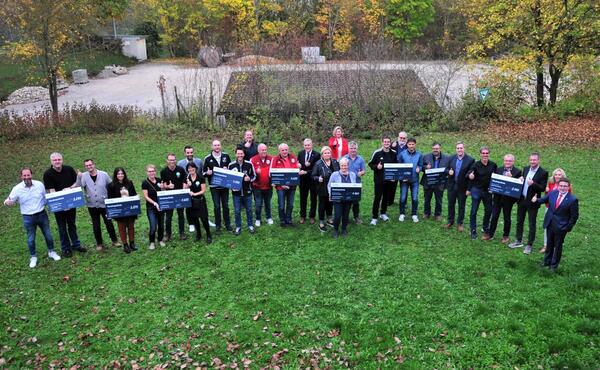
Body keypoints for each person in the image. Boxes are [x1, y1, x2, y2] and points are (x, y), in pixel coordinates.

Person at [4, 167, 61, 268]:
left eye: (28, 175)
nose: (27, 177)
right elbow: (8, 200)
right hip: (28, 217)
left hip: (42, 214)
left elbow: (45, 197)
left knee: (48, 235)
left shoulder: (39, 184)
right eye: (24, 175)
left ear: (31, 175)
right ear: (21, 176)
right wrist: (8, 203)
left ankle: (51, 252)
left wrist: (55, 203)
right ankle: (33, 257)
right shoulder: (17, 188)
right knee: (31, 238)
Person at [43, 152, 84, 258]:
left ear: (62, 160)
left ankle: (76, 244)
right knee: (62, 227)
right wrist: (62, 204)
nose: (57, 162)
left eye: (59, 159)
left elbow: (76, 183)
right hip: (59, 205)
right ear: (51, 161)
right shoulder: (48, 174)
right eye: (55, 160)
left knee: (72, 225)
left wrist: (69, 188)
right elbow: (52, 191)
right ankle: (65, 248)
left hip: (71, 203)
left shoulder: (69, 169)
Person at [532, 177, 578, 272]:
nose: (562, 188)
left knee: (557, 246)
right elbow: (544, 199)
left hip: (561, 227)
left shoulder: (572, 199)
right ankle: (546, 262)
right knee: (549, 244)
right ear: (558, 186)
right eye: (561, 186)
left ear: (568, 187)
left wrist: (567, 228)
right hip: (550, 223)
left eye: (565, 186)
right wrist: (536, 200)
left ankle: (554, 265)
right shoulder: (553, 193)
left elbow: (574, 216)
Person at [509, 152, 548, 254]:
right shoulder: (526, 169)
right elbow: (522, 182)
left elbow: (543, 188)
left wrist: (533, 184)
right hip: (522, 199)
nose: (532, 162)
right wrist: (521, 179)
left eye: (534, 160)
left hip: (533, 201)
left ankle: (529, 245)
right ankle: (518, 240)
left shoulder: (543, 172)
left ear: (538, 160)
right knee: (519, 221)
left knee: (532, 223)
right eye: (531, 160)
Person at [77, 159, 119, 251]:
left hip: (105, 204)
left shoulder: (103, 174)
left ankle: (114, 240)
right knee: (96, 225)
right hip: (92, 205)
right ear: (85, 167)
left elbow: (112, 185)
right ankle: (99, 243)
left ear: (94, 164)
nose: (89, 167)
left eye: (90, 165)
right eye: (87, 166)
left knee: (109, 223)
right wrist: (79, 177)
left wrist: (114, 197)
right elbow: (77, 187)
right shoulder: (83, 176)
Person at [487, 154, 522, 243]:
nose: (507, 162)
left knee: (507, 218)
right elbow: (495, 182)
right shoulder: (498, 169)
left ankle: (505, 236)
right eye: (506, 160)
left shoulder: (517, 172)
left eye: (510, 161)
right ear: (504, 161)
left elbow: (517, 187)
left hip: (508, 200)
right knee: (494, 216)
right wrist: (492, 189)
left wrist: (511, 177)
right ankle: (490, 234)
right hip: (497, 198)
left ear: (513, 162)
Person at [466, 146, 497, 240]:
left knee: (488, 210)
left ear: (489, 154)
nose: (485, 155)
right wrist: (470, 177)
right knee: (474, 211)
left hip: (488, 191)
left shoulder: (493, 165)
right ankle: (473, 230)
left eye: (487, 153)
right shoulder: (476, 165)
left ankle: (485, 227)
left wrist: (494, 188)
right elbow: (469, 174)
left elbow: (496, 177)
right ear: (480, 154)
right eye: (483, 153)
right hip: (476, 190)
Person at [203, 140, 233, 232]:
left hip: (224, 186)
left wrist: (227, 169)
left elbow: (232, 170)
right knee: (216, 206)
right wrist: (207, 173)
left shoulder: (226, 156)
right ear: (212, 146)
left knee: (226, 205)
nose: (217, 147)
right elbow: (203, 173)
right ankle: (218, 225)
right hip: (214, 187)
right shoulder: (208, 158)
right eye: (215, 145)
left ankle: (227, 224)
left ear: (221, 146)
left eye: (218, 145)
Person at [444, 142, 475, 232]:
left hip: (462, 187)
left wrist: (469, 189)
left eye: (461, 148)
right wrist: (448, 172)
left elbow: (471, 175)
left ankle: (460, 223)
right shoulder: (451, 158)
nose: (459, 149)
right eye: (458, 148)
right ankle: (450, 221)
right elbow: (445, 169)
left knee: (461, 205)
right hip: (451, 186)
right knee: (450, 204)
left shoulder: (470, 160)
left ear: (464, 148)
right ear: (455, 149)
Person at [106, 167, 138, 253]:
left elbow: (134, 194)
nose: (120, 175)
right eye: (118, 174)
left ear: (124, 174)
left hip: (130, 209)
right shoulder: (111, 185)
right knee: (122, 228)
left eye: (122, 173)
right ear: (115, 175)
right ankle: (125, 245)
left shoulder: (129, 183)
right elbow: (110, 199)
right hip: (119, 210)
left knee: (131, 226)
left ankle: (132, 243)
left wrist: (127, 195)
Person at [368, 135, 397, 225]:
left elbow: (396, 166)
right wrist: (377, 166)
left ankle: (383, 213)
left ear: (390, 143)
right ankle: (374, 217)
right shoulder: (377, 153)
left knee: (386, 197)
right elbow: (370, 164)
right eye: (385, 142)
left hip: (389, 180)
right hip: (379, 180)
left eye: (388, 142)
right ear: (382, 142)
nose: (386, 143)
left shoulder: (393, 153)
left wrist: (394, 177)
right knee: (377, 198)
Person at [540, 168, 571, 253]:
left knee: (557, 229)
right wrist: (546, 192)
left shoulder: (566, 185)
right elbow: (547, 198)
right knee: (547, 227)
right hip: (549, 209)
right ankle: (546, 245)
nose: (557, 176)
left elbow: (569, 199)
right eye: (556, 174)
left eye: (559, 174)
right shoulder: (551, 184)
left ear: (562, 176)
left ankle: (555, 247)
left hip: (560, 212)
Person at [328, 158, 358, 237]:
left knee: (346, 215)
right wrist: (331, 194)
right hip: (337, 199)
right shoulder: (334, 174)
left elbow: (354, 186)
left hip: (348, 199)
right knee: (337, 215)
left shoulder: (352, 174)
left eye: (345, 165)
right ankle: (335, 229)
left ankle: (344, 229)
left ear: (348, 165)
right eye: (342, 165)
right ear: (339, 166)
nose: (344, 167)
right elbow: (329, 185)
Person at [271, 143, 299, 227]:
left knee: (290, 204)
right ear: (279, 151)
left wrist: (299, 169)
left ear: (288, 150)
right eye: (282, 150)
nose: (284, 151)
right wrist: (281, 184)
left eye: (286, 149)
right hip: (281, 187)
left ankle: (289, 219)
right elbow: (272, 174)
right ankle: (282, 220)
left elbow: (296, 170)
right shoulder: (275, 159)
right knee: (281, 205)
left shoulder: (293, 157)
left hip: (292, 186)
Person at [160, 153, 188, 241]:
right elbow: (163, 184)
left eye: (173, 160)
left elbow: (184, 180)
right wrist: (168, 186)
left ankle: (182, 233)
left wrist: (184, 186)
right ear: (167, 161)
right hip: (169, 197)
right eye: (170, 160)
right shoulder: (163, 171)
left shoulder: (181, 169)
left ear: (175, 160)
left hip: (179, 195)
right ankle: (168, 234)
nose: (172, 161)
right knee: (168, 216)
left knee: (181, 215)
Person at [229, 147, 256, 235]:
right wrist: (231, 187)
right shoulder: (231, 165)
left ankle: (250, 225)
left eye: (241, 154)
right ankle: (238, 226)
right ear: (235, 154)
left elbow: (254, 176)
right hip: (236, 193)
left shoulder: (249, 164)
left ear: (244, 154)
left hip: (247, 191)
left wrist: (250, 179)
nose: (240, 155)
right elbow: (228, 179)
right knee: (237, 211)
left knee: (249, 209)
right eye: (238, 153)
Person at [312, 146, 340, 232]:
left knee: (330, 203)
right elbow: (313, 175)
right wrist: (318, 178)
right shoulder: (318, 163)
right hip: (322, 187)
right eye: (325, 153)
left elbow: (339, 172)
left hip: (333, 187)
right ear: (322, 154)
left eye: (328, 153)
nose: (327, 154)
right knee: (322, 204)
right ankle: (321, 221)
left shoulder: (335, 162)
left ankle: (329, 218)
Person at [420, 142, 450, 221]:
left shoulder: (447, 158)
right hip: (428, 181)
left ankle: (438, 214)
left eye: (437, 149)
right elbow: (421, 167)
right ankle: (426, 213)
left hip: (440, 182)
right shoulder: (426, 157)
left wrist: (446, 171)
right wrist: (426, 167)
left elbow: (449, 169)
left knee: (439, 199)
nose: (435, 150)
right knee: (427, 199)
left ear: (440, 149)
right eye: (434, 149)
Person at [185, 163, 212, 244]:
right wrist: (188, 185)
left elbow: (203, 190)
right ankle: (199, 234)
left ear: (195, 168)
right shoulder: (187, 178)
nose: (191, 169)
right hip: (191, 202)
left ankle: (208, 235)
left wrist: (194, 194)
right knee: (195, 218)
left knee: (204, 219)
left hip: (200, 200)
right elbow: (184, 189)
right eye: (189, 168)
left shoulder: (200, 177)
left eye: (192, 168)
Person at [397, 137, 423, 223]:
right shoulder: (402, 154)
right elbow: (399, 166)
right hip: (404, 180)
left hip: (415, 180)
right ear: (407, 145)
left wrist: (419, 168)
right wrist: (401, 176)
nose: (411, 146)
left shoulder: (419, 154)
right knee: (403, 197)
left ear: (415, 145)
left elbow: (421, 165)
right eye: (409, 144)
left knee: (415, 198)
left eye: (413, 144)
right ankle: (402, 213)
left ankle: (414, 214)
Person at [141, 164, 166, 250]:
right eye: (150, 171)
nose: (152, 173)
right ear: (147, 173)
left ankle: (160, 239)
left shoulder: (159, 180)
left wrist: (163, 188)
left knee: (161, 225)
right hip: (151, 208)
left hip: (161, 206)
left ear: (155, 172)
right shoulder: (145, 183)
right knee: (153, 226)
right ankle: (152, 242)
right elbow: (146, 196)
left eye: (153, 171)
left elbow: (163, 193)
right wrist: (154, 203)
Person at [250, 143, 274, 227]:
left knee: (268, 203)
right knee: (258, 204)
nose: (264, 151)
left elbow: (274, 171)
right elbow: (250, 173)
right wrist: (256, 172)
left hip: (268, 186)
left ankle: (268, 217)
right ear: (258, 150)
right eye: (262, 150)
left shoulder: (271, 159)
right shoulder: (253, 159)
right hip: (257, 187)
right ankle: (258, 218)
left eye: (265, 150)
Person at [343, 141, 366, 224]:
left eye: (354, 148)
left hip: (356, 184)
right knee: (347, 201)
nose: (353, 150)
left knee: (356, 202)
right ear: (348, 149)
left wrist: (361, 173)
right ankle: (345, 218)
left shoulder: (361, 159)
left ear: (357, 149)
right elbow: (341, 170)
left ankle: (356, 217)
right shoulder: (344, 158)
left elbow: (364, 170)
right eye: (351, 148)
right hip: (346, 184)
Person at [298, 138, 320, 224]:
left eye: (309, 145)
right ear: (304, 145)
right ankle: (302, 216)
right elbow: (300, 165)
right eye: (305, 145)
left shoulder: (317, 154)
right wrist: (299, 167)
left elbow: (316, 169)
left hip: (313, 179)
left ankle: (312, 216)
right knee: (303, 198)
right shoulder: (300, 153)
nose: (307, 147)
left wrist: (306, 172)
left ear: (312, 145)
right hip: (303, 180)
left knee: (313, 198)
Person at [389, 131, 408, 206]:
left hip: (404, 168)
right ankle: (390, 201)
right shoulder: (393, 144)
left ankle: (404, 202)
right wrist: (391, 146)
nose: (402, 139)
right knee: (392, 185)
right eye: (401, 138)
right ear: (398, 138)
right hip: (394, 168)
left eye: (404, 138)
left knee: (404, 185)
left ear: (406, 139)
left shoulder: (409, 145)